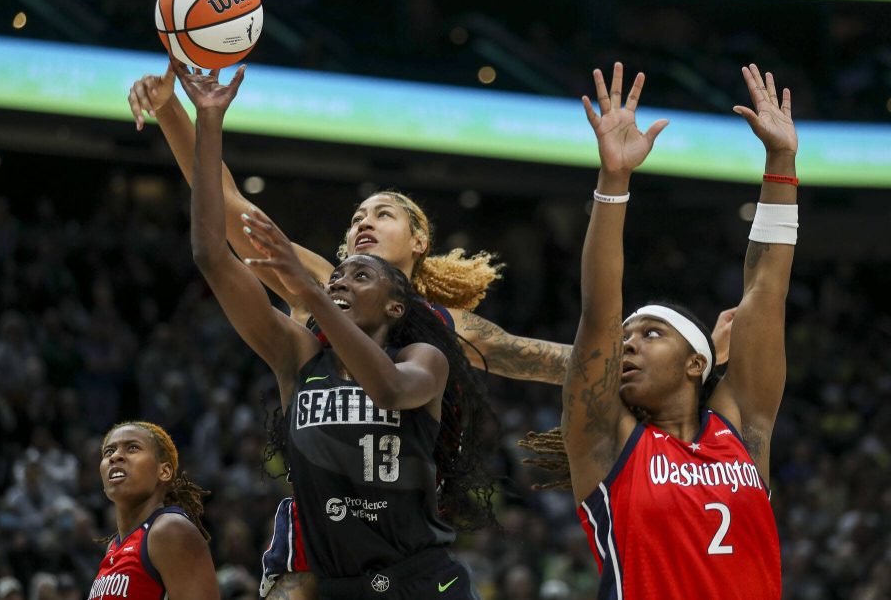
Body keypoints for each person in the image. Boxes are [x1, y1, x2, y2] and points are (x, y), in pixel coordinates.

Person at [128, 60, 735, 599]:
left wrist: (693, 349)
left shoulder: (450, 327)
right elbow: (227, 212)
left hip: (407, 534)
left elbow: (565, 363)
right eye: (357, 219)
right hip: (322, 537)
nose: (364, 222)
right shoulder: (318, 283)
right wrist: (173, 113)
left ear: (419, 241)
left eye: (383, 214)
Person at [178, 61, 494, 600]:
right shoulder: (296, 352)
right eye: (338, 273)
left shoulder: (425, 356)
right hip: (336, 585)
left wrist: (312, 292)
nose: (342, 280)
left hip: (420, 579)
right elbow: (212, 254)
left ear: (396, 306)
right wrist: (209, 120)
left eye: (360, 275)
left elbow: (391, 390)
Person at [548, 62, 794, 598]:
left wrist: (781, 162)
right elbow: (598, 314)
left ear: (695, 363)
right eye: (628, 335)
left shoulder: (742, 430)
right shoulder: (605, 441)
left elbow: (765, 290)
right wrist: (614, 181)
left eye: (652, 333)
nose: (628, 342)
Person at [90, 421, 219, 600]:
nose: (116, 456)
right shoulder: (113, 547)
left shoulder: (169, 530)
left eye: (132, 448)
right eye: (109, 452)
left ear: (164, 471)